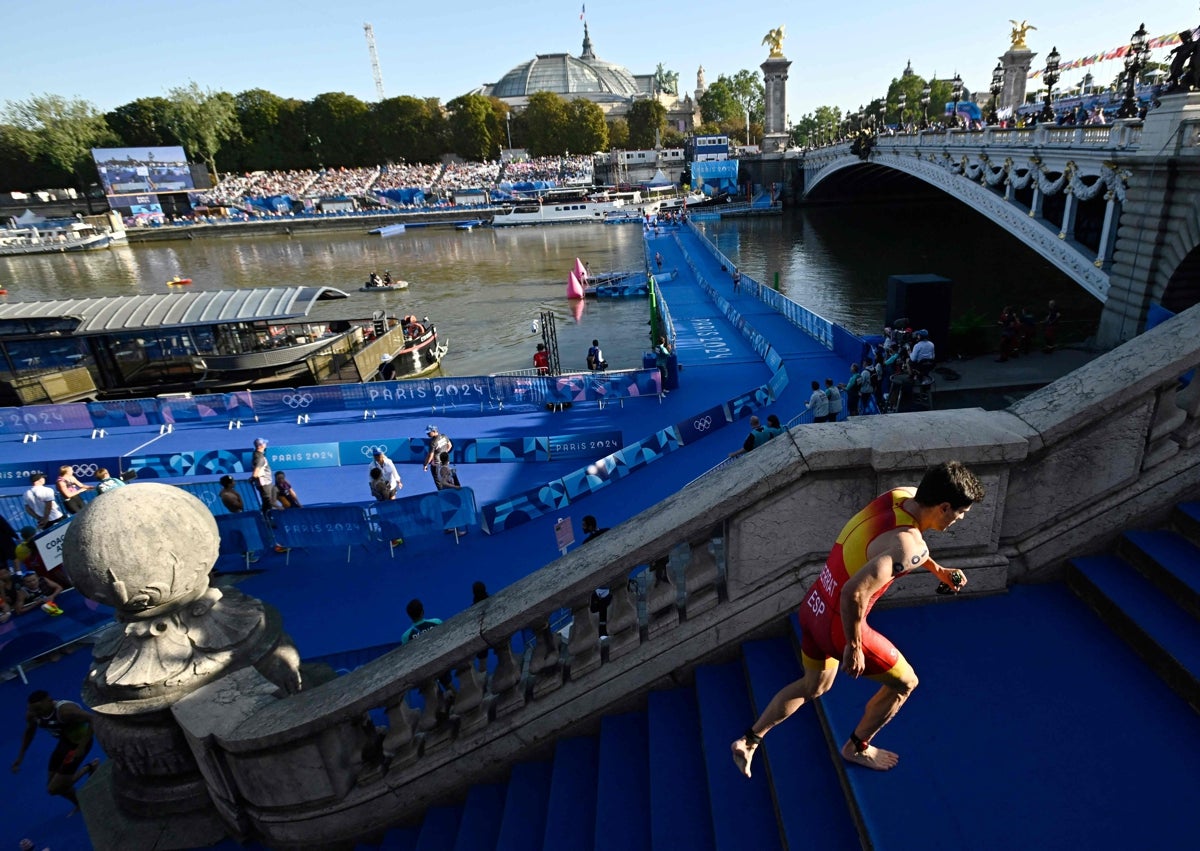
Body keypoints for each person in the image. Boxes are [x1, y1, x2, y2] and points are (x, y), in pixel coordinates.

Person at [730, 461, 985, 777]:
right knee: (906, 683)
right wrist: (853, 645)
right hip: (840, 628)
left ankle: (750, 740)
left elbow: (897, 546)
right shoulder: (910, 547)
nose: (958, 520)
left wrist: (938, 571)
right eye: (960, 513)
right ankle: (857, 747)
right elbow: (854, 592)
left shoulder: (900, 495)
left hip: (814, 606)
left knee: (814, 685)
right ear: (944, 507)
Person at [12, 690, 101, 814]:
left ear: (49, 701)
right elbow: (29, 732)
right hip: (64, 744)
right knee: (54, 784)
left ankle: (89, 767)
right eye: (32, 710)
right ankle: (80, 803)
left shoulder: (65, 711)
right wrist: (20, 756)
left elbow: (93, 719)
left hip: (79, 745)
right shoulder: (33, 714)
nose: (35, 713)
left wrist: (81, 747)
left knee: (53, 789)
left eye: (38, 709)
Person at [250, 438, 273, 516]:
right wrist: (252, 478)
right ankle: (268, 519)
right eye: (264, 443)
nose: (266, 445)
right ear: (260, 446)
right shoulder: (260, 458)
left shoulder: (256, 454)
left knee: (266, 502)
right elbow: (256, 472)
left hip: (263, 483)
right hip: (264, 484)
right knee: (268, 502)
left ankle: (266, 517)